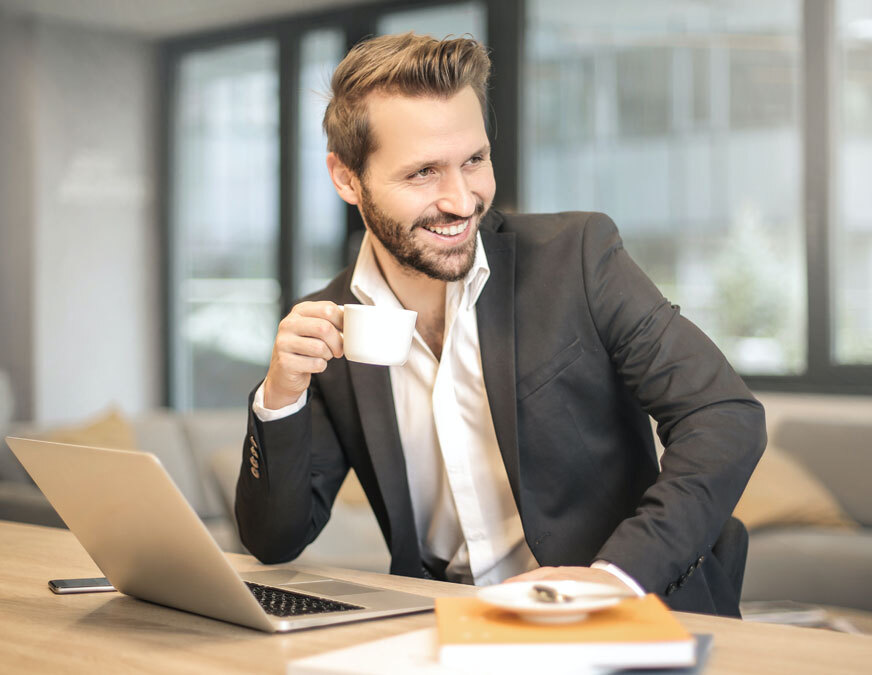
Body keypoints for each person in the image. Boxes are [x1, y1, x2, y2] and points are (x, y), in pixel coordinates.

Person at [235, 32, 766, 616]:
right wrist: (280, 396)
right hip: (445, 624)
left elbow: (722, 416)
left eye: (474, 161)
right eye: (423, 174)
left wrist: (616, 576)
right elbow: (275, 540)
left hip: (618, 616)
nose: (462, 200)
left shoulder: (578, 258)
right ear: (346, 179)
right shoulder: (331, 323)